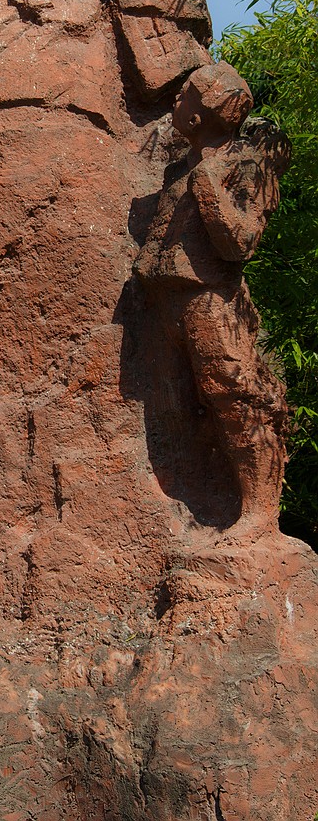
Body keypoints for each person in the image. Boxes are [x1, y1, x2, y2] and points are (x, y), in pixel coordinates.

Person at [135, 62, 291, 533]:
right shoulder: (177, 168)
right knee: (170, 406)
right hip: (165, 301)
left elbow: (240, 243)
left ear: (201, 114)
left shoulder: (242, 168)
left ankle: (260, 513)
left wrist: (207, 186)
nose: (175, 101)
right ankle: (188, 511)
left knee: (235, 395)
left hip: (210, 300)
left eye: (184, 95)